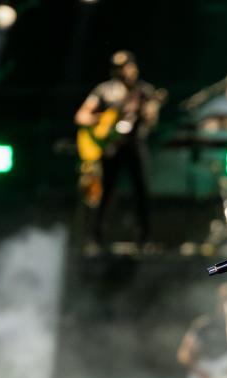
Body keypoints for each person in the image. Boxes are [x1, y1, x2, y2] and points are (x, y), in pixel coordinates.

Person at [74, 50, 163, 247]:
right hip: (111, 148)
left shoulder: (144, 91)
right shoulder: (104, 90)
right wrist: (105, 119)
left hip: (135, 146)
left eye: (126, 66)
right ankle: (95, 237)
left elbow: (151, 120)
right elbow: (81, 116)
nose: (124, 72)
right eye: (119, 68)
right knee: (104, 192)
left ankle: (144, 238)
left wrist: (148, 112)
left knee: (142, 192)